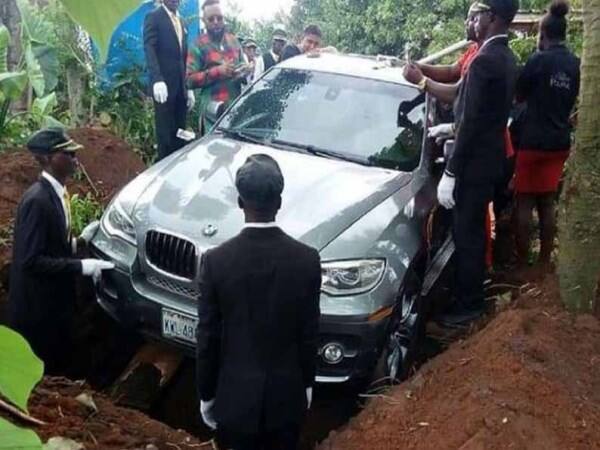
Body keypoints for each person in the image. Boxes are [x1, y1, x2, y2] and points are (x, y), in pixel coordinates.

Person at [196, 154, 321, 450]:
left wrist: (206, 394)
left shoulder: (216, 262)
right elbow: (309, 333)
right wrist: (306, 384)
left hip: (234, 402)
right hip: (286, 400)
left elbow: (207, 338)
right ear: (279, 202)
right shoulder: (306, 260)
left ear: (240, 203)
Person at [412, 0, 519, 324]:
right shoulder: (501, 55)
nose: (471, 22)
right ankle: (465, 298)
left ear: (494, 18)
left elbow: (472, 122)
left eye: (477, 16)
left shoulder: (487, 60)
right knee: (468, 232)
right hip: (486, 159)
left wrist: (452, 172)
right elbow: (469, 102)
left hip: (475, 163)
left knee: (468, 235)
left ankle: (469, 306)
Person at [8, 128, 115, 374]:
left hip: (56, 306)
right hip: (38, 312)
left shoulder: (57, 194)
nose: (75, 160)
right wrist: (81, 266)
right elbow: (31, 261)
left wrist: (78, 243)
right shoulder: (37, 201)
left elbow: (50, 245)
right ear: (46, 159)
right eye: (67, 154)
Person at [513, 0, 580, 272]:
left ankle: (522, 262)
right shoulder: (575, 64)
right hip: (559, 141)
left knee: (524, 201)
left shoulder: (538, 60)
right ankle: (544, 262)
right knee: (547, 200)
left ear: (544, 34)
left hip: (532, 141)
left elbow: (519, 95)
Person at [144, 0, 195, 161]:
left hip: (181, 88)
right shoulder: (154, 17)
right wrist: (157, 79)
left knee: (181, 133)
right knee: (165, 134)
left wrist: (189, 86)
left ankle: (179, 169)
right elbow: (149, 49)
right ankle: (164, 175)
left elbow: (184, 56)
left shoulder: (181, 21)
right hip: (163, 88)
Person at [187, 1, 246, 135]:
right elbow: (188, 80)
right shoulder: (198, 45)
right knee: (212, 153)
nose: (216, 22)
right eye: (211, 19)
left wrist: (245, 72)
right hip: (211, 115)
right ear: (204, 21)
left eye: (219, 18)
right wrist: (217, 72)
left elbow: (242, 66)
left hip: (234, 111)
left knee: (234, 153)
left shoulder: (234, 41)